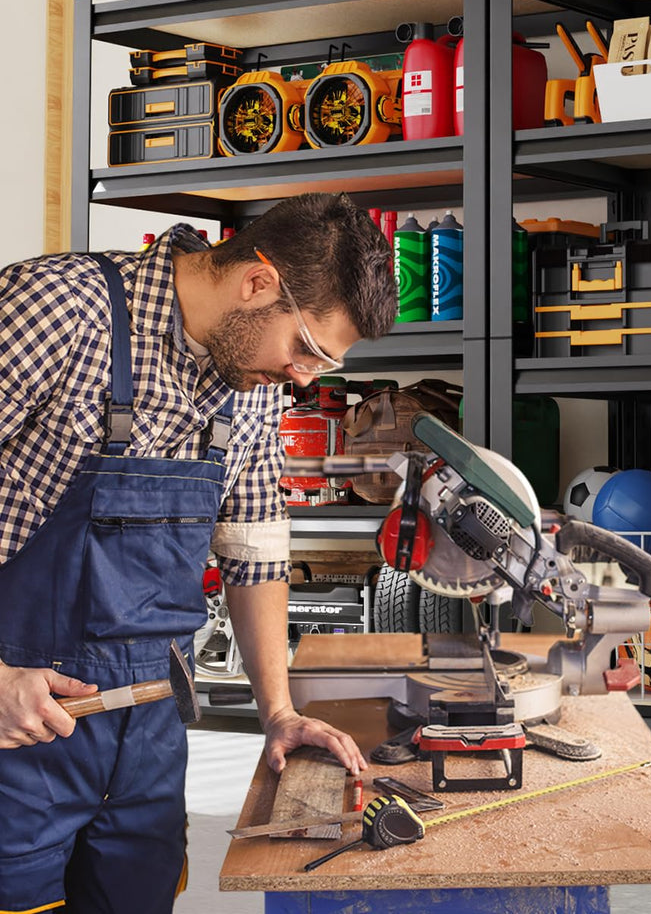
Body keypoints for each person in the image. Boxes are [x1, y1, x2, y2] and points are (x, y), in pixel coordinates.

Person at [0, 192, 397, 914]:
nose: (307, 378)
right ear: (257, 282)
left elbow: (256, 548)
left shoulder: (254, 386)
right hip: (15, 725)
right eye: (307, 348)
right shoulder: (59, 309)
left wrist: (278, 711)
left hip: (148, 728)